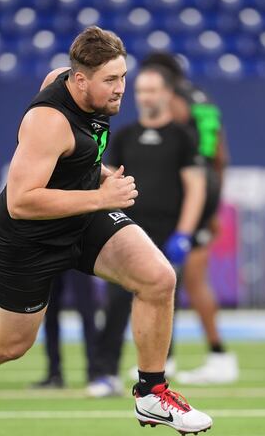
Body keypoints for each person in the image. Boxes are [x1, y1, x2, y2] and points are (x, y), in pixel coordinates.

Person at [0, 27, 212, 436]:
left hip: (79, 215)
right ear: (80, 79)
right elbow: (22, 201)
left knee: (158, 278)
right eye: (111, 80)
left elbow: (73, 157)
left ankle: (152, 394)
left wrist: (95, 175)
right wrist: (100, 197)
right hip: (25, 238)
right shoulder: (48, 122)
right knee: (10, 344)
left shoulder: (63, 77)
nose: (121, 89)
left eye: (123, 76)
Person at [86, 65, 207, 398]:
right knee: (114, 303)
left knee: (162, 299)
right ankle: (104, 373)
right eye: (140, 90)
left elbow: (195, 187)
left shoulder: (183, 136)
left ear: (167, 94)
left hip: (168, 234)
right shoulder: (124, 135)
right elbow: (108, 180)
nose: (144, 97)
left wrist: (184, 233)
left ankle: (155, 380)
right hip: (128, 231)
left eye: (152, 90)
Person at [138, 53, 238, 385]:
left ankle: (188, 355)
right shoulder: (205, 101)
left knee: (173, 277)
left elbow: (170, 145)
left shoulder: (175, 100)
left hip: (186, 188)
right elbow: (221, 156)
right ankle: (207, 354)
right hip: (207, 184)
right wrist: (214, 205)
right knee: (189, 278)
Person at [31, 270, 100, 389]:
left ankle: (95, 372)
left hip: (77, 255)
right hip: (51, 257)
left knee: (87, 311)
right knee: (50, 313)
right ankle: (54, 374)